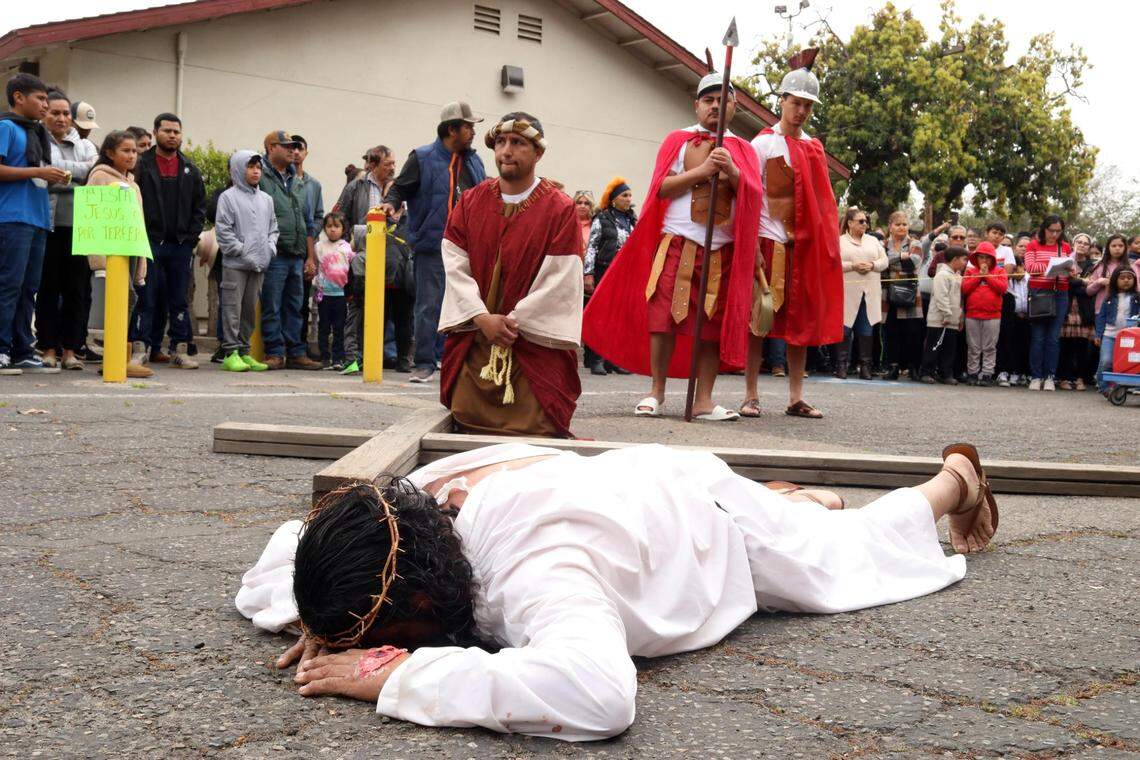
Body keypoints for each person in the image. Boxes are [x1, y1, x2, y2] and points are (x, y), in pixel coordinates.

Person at [236, 437, 998, 741]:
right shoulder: (410, 504)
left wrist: (399, 672)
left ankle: (953, 480)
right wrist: (329, 616)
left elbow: (600, 696)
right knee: (804, 520)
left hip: (716, 526)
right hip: (633, 486)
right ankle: (800, 499)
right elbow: (282, 555)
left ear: (428, 610)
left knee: (846, 555)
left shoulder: (537, 570)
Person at [582, 71, 761, 421]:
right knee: (662, 318)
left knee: (710, 327)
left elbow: (754, 197)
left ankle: (703, 400)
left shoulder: (743, 150)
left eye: (722, 101)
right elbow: (660, 188)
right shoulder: (679, 140)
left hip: (721, 252)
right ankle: (656, 392)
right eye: (708, 100)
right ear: (696, 105)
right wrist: (704, 169)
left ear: (734, 108)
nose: (714, 107)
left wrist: (735, 174)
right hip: (678, 244)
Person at [437, 112, 582, 437]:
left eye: (518, 143)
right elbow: (455, 263)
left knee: (535, 432)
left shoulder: (560, 209)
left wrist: (511, 323)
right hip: (477, 338)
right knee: (467, 418)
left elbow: (560, 278)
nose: (506, 151)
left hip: (531, 344)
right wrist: (481, 318)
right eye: (501, 142)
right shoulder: (471, 202)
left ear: (538, 152)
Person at [746, 49, 843, 418]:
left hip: (801, 248)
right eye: (795, 102)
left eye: (807, 105)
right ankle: (751, 394)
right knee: (760, 320)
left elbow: (823, 206)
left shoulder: (813, 148)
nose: (801, 111)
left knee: (799, 325)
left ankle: (795, 396)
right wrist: (753, 246)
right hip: (768, 243)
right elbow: (752, 198)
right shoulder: (762, 144)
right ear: (782, 101)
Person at [381, 102, 487, 384]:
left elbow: (486, 198)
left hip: (469, 248)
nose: (473, 132)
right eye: (468, 126)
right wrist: (390, 204)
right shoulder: (423, 157)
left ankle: (455, 361)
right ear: (451, 129)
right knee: (429, 305)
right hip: (432, 244)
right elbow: (400, 188)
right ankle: (425, 363)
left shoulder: (475, 161)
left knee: (467, 305)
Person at [0, 73, 68, 376]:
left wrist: (50, 176)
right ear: (18, 97)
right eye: (40, 99)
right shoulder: (6, 127)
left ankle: (22, 349)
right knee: (8, 285)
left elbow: (35, 173)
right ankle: (1, 349)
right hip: (11, 218)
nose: (45, 105)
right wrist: (36, 173)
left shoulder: (39, 133)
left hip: (38, 218)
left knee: (29, 288)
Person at [130, 112, 206, 370]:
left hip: (180, 246)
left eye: (177, 131)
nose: (172, 136)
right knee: (146, 296)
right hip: (149, 242)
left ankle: (180, 348)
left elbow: (200, 208)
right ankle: (140, 348)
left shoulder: (191, 169)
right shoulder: (140, 166)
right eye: (167, 131)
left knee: (179, 299)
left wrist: (190, 239)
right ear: (155, 133)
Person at [39, 89, 97, 371]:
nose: (61, 118)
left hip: (80, 230)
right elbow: (40, 174)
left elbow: (93, 172)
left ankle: (71, 351)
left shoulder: (87, 145)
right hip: (48, 227)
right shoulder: (37, 140)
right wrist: (74, 175)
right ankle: (48, 348)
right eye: (55, 112)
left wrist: (57, 174)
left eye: (65, 114)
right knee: (48, 289)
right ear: (45, 114)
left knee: (77, 291)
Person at [86, 131, 151, 378]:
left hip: (130, 255)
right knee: (108, 308)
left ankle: (120, 358)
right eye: (126, 150)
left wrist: (141, 265)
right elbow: (92, 220)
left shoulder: (133, 183)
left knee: (129, 303)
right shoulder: (100, 177)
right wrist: (98, 260)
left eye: (134, 151)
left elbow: (138, 225)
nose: (132, 155)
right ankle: (108, 358)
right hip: (109, 259)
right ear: (110, 153)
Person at [259, 129, 321, 371]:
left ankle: (296, 352)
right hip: (275, 253)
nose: (293, 151)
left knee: (295, 306)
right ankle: (274, 352)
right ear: (271, 148)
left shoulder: (296, 179)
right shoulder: (261, 176)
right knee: (272, 304)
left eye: (295, 147)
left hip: (296, 253)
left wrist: (309, 256)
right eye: (286, 146)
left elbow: (307, 219)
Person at [214, 150, 275, 373]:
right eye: (250, 166)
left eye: (258, 167)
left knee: (249, 309)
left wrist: (269, 249)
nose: (256, 171)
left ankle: (244, 351)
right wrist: (245, 251)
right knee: (232, 307)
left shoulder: (266, 199)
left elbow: (273, 229)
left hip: (259, 265)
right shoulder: (228, 197)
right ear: (239, 169)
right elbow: (223, 231)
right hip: (235, 265)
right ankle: (230, 352)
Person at [583, 178, 636, 376]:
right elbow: (592, 247)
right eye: (624, 195)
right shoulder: (602, 219)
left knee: (620, 318)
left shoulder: (632, 220)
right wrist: (588, 274)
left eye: (630, 195)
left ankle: (614, 359)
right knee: (602, 316)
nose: (628, 199)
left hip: (625, 274)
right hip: (604, 271)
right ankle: (597, 359)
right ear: (613, 199)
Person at [1024, 214, 1074, 391]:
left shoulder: (1065, 247)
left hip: (1060, 293)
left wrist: (1070, 270)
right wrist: (1052, 265)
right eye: (1051, 231)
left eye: (1058, 231)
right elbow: (1030, 268)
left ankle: (1050, 376)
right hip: (1039, 293)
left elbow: (1070, 269)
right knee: (1038, 336)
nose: (1054, 234)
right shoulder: (1033, 245)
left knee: (1053, 337)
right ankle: (1036, 376)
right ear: (1044, 229)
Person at [837, 207, 887, 380]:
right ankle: (842, 365)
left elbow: (884, 261)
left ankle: (865, 367)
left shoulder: (873, 241)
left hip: (869, 292)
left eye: (866, 221)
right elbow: (833, 263)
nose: (865, 224)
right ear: (850, 223)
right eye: (860, 221)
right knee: (845, 329)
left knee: (866, 329)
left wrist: (872, 265)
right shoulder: (840, 241)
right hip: (847, 292)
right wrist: (853, 266)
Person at [291, 134, 324, 356]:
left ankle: (299, 348)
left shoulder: (314, 185)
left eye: (299, 148)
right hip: (284, 248)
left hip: (306, 249)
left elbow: (319, 216)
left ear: (306, 152)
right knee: (282, 302)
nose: (295, 152)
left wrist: (310, 246)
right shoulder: (280, 180)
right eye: (291, 148)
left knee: (301, 301)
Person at [882, 215, 925, 381]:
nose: (902, 227)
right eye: (898, 224)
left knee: (913, 332)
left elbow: (914, 263)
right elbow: (882, 263)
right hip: (888, 294)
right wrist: (901, 257)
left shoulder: (915, 243)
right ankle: (893, 367)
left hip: (910, 293)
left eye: (905, 224)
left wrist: (892, 260)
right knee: (891, 332)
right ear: (890, 226)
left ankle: (913, 368)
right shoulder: (883, 244)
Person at [961, 242, 1007, 385]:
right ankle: (973, 373)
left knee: (989, 347)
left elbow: (1002, 288)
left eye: (988, 258)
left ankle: (987, 374)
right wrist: (978, 277)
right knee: (973, 346)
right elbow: (964, 289)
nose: (984, 261)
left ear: (993, 259)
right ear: (976, 258)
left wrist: (987, 276)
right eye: (981, 257)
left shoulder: (1000, 271)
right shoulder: (970, 271)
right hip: (972, 314)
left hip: (992, 315)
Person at [921, 246, 967, 384]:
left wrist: (959, 317)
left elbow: (959, 299)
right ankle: (926, 372)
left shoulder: (957, 276)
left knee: (949, 349)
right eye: (964, 259)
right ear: (955, 259)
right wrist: (946, 314)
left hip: (952, 320)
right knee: (933, 346)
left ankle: (945, 373)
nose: (966, 262)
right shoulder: (942, 275)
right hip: (940, 320)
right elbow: (941, 297)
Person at [314, 212, 354, 370]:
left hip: (340, 295)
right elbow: (316, 267)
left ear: (343, 229)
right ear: (324, 228)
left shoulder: (347, 247)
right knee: (323, 325)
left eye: (336, 226)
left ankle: (338, 358)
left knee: (339, 327)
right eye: (329, 226)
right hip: (322, 293)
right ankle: (324, 357)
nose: (332, 230)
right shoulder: (319, 246)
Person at [1094, 267, 1139, 394]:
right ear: (1115, 280)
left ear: (1134, 281)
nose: (1126, 281)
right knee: (1106, 360)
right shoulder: (1108, 298)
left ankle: (1125, 385)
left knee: (1128, 361)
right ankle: (1104, 387)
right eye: (1122, 278)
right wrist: (1098, 334)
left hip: (1130, 338)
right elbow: (1101, 317)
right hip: (1110, 335)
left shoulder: (1137, 298)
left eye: (1129, 278)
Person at [995, 235, 1031, 387]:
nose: (1017, 271)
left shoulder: (1028, 279)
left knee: (1024, 345)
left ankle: (1019, 373)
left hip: (1026, 317)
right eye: (1014, 268)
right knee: (1007, 343)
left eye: (1020, 268)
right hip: (1011, 316)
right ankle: (1004, 371)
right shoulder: (1007, 280)